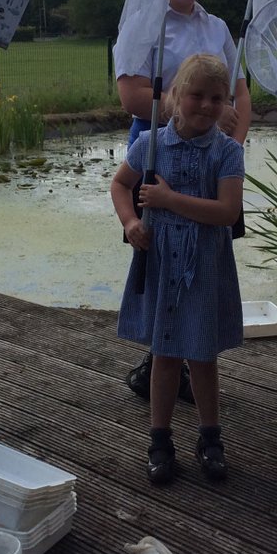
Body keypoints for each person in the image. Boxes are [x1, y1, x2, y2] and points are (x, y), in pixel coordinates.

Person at [114, 0, 251, 403]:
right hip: (160, 150)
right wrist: (188, 108)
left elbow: (239, 90)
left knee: (204, 261)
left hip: (212, 157)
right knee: (163, 260)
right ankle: (161, 362)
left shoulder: (216, 27)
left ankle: (193, 355)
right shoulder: (144, 23)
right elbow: (131, 95)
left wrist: (230, 145)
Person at [110, 53, 245, 484]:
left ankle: (210, 437)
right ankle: (160, 439)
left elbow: (227, 212)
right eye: (197, 95)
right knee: (164, 354)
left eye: (217, 98)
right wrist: (131, 222)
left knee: (202, 356)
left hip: (205, 262)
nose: (206, 106)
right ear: (175, 96)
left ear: (227, 103)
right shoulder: (149, 145)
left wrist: (170, 201)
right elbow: (120, 184)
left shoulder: (227, 152)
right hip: (162, 260)